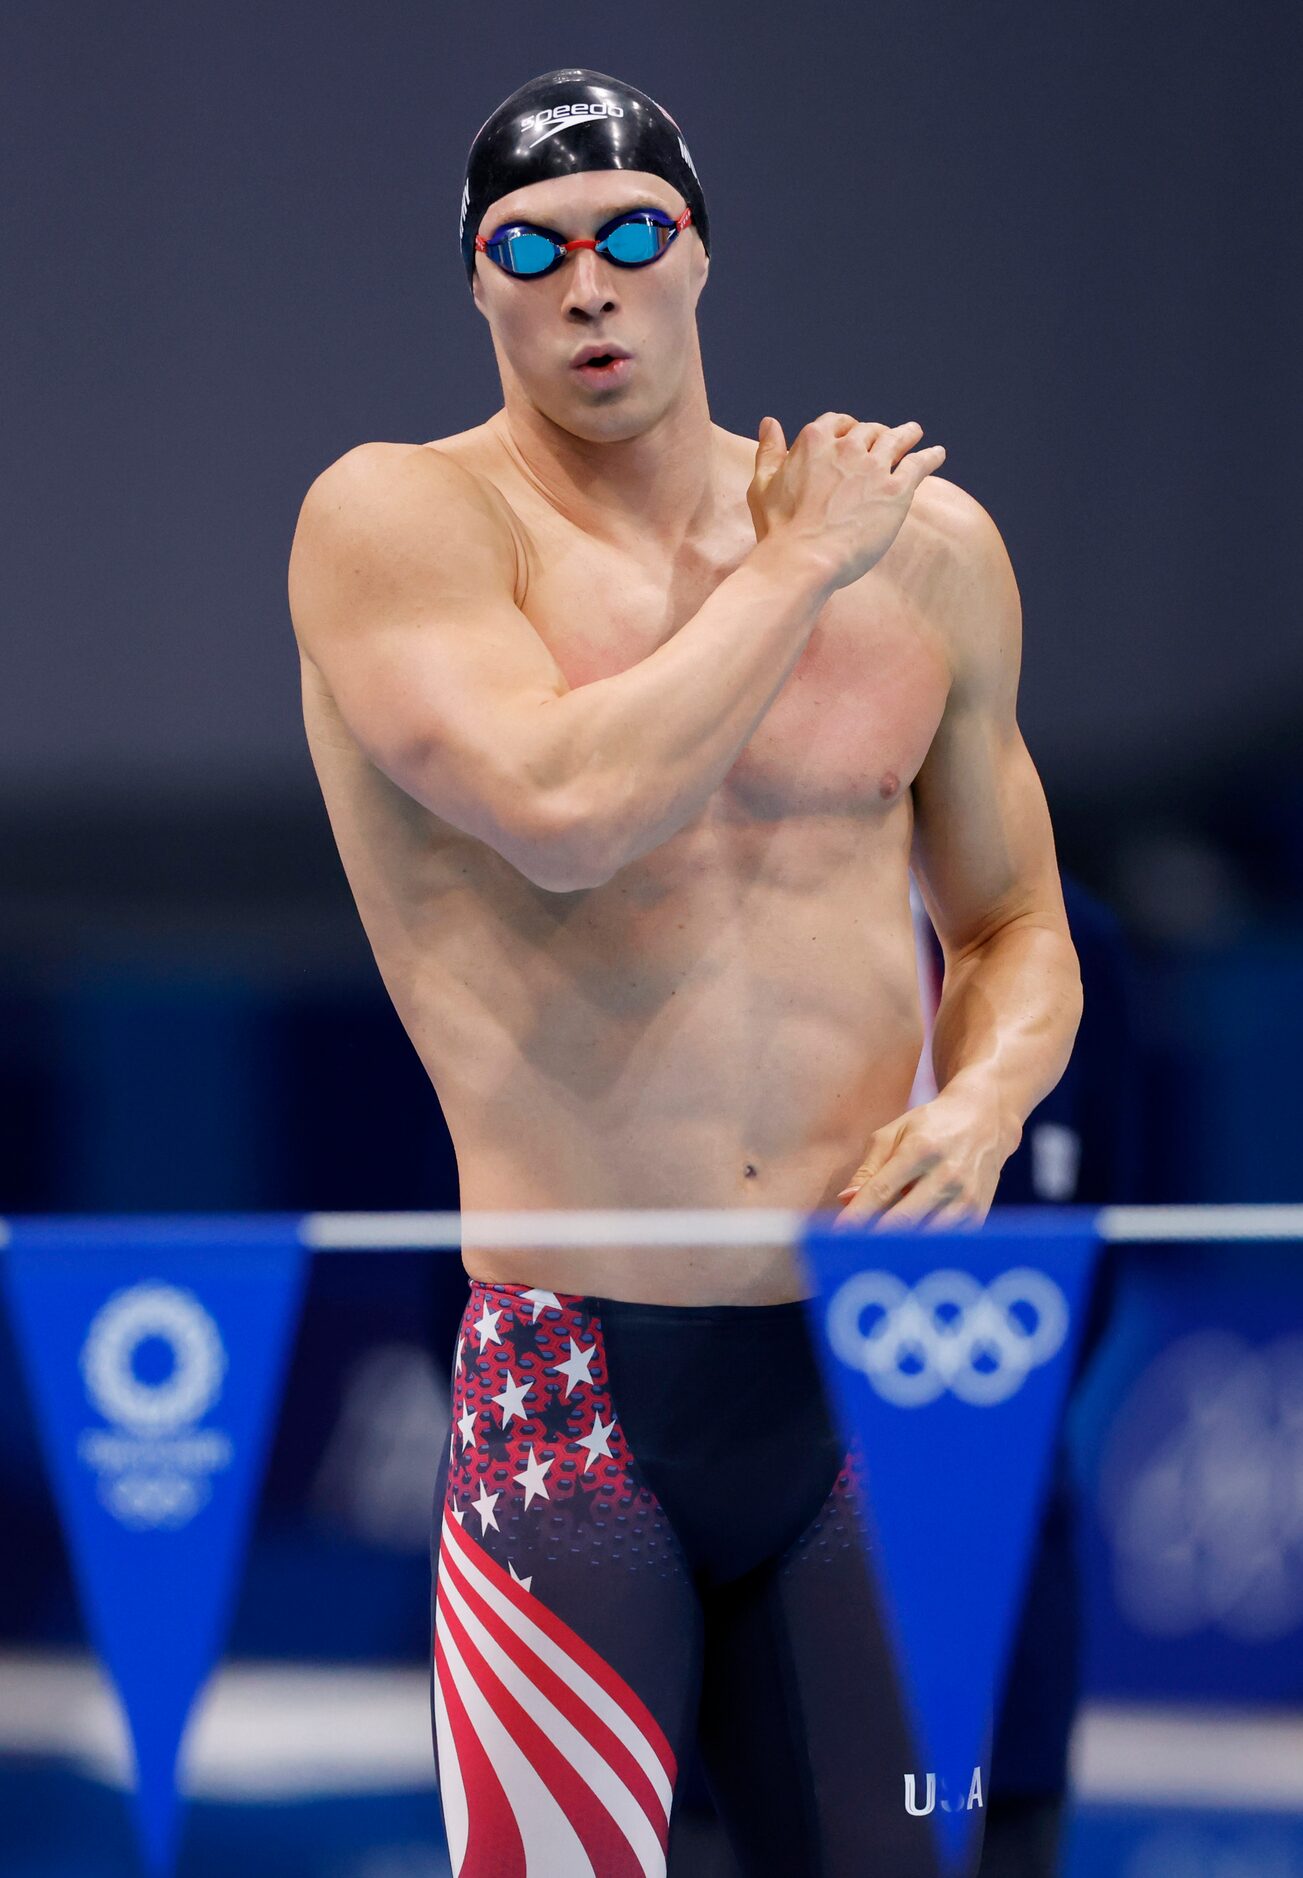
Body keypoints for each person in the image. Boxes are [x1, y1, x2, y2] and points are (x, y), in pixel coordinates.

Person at [286, 66, 1083, 1878]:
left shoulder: (929, 556)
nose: (589, 285)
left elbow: (1016, 927)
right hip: (575, 1395)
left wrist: (982, 1104)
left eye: (633, 233)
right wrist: (790, 573)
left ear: (700, 257)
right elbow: (569, 813)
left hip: (855, 1382)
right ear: (476, 284)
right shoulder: (403, 525)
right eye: (534, 248)